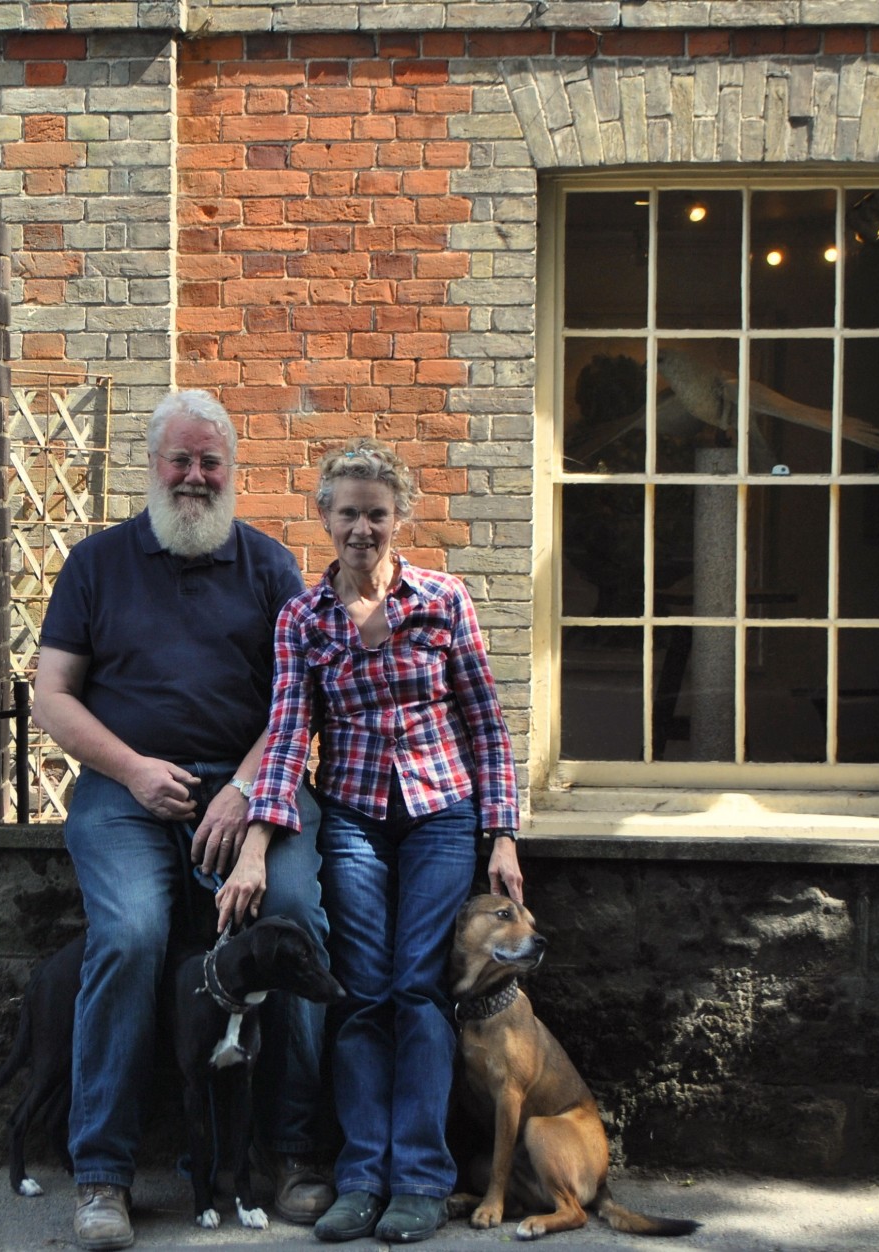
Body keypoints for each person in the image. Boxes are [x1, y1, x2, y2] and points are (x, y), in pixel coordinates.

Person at [33, 390, 334, 1251]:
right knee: (129, 934)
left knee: (293, 917)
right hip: (124, 799)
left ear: (231, 473)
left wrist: (245, 788)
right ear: (153, 467)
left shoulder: (270, 567)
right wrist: (129, 769)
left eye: (211, 464)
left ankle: (296, 1156)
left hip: (248, 793)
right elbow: (52, 696)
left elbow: (295, 705)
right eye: (181, 461)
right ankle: (102, 1175)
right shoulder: (95, 565)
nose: (196, 478)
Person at [239, 437, 523, 1245]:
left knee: (418, 989)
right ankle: (362, 1175)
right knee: (361, 993)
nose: (362, 528)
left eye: (377, 513)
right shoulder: (303, 617)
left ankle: (422, 1180)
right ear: (324, 517)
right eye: (347, 513)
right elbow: (290, 735)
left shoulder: (443, 600)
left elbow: (485, 722)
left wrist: (501, 835)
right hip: (357, 815)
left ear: (401, 516)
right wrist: (258, 841)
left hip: (441, 815)